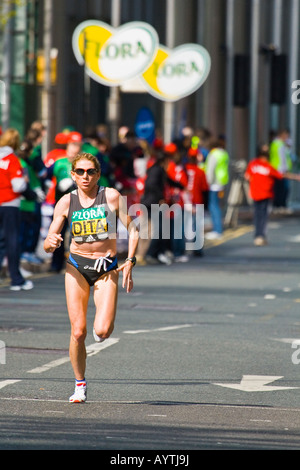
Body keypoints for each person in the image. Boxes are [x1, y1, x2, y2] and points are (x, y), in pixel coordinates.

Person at [43, 152, 139, 403]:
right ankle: (79, 384)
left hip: (106, 269)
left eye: (91, 172)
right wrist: (50, 242)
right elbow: (49, 241)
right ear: (73, 175)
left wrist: (130, 260)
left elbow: (133, 229)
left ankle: (101, 330)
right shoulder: (65, 202)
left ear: (98, 174)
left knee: (103, 330)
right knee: (78, 332)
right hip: (77, 267)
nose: (86, 176)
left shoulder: (111, 197)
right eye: (81, 172)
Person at [0, 128, 37, 290]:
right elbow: (18, 185)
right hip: (10, 204)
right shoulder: (11, 159)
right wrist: (28, 186)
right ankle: (16, 279)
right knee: (12, 241)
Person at [245, 144, 300, 246]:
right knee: (263, 216)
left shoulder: (253, 164)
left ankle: (258, 235)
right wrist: (295, 177)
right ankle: (261, 235)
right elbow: (281, 175)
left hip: (256, 193)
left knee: (257, 215)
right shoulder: (268, 166)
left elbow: (247, 176)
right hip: (266, 194)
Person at [205, 137, 230, 239]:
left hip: (214, 183)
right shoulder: (224, 153)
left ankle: (217, 230)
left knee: (213, 207)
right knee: (217, 206)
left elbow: (210, 170)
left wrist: (207, 182)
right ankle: (218, 229)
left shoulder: (213, 154)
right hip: (222, 182)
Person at [269, 129, 293, 212]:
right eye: (286, 136)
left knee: (282, 188)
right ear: (282, 135)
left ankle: (279, 204)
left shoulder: (279, 144)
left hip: (279, 169)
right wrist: (284, 170)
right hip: (279, 170)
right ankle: (279, 205)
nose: (287, 138)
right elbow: (282, 158)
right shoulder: (278, 144)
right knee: (281, 188)